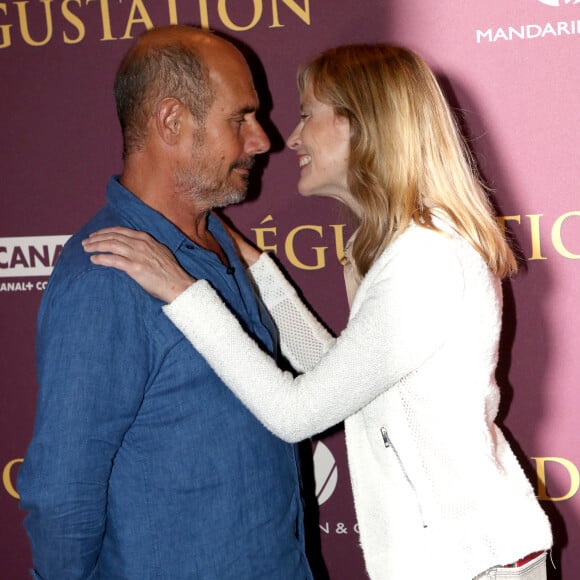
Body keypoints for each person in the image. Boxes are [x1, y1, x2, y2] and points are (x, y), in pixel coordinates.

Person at [82, 44, 553, 579]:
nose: (292, 138)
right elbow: (335, 372)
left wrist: (183, 291)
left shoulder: (425, 258)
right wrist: (251, 261)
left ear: (362, 125)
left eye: (307, 115)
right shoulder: (404, 247)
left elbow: (296, 414)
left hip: (473, 565)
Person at [18, 25, 315, 580]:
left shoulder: (222, 243)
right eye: (240, 118)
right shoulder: (107, 277)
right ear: (173, 121)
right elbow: (63, 493)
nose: (263, 140)